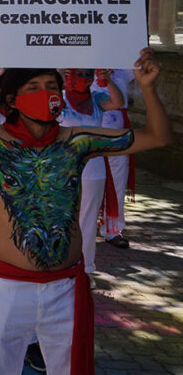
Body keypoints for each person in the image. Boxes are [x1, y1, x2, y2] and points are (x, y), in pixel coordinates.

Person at [0, 47, 171, 375]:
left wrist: (147, 88)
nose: (47, 93)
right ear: (11, 99)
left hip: (64, 290)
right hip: (6, 288)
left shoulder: (78, 142)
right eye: (34, 86)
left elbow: (158, 137)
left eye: (52, 85)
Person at [58, 69, 123, 274]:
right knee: (62, 220)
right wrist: (58, 75)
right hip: (63, 171)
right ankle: (59, 268)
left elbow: (117, 103)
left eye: (88, 74)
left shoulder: (97, 98)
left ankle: (85, 269)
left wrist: (108, 81)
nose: (85, 80)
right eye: (79, 74)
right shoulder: (58, 98)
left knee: (87, 222)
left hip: (94, 172)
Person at [99, 69, 135, 248]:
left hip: (118, 135)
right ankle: (79, 228)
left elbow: (138, 62)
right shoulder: (82, 68)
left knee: (117, 181)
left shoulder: (120, 71)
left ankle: (113, 230)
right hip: (89, 131)